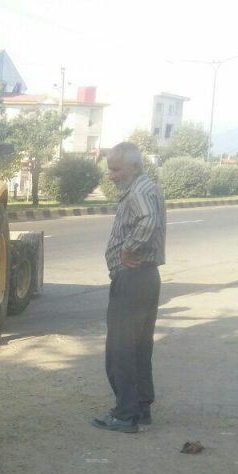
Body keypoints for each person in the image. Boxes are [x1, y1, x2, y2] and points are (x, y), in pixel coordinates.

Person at [92, 142, 166, 434]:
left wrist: (128, 249)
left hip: (133, 278)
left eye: (116, 169)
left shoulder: (139, 191)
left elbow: (148, 220)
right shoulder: (147, 187)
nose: (111, 175)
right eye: (110, 169)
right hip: (145, 278)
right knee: (138, 347)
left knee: (121, 349)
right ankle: (140, 407)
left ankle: (125, 415)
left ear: (134, 167)